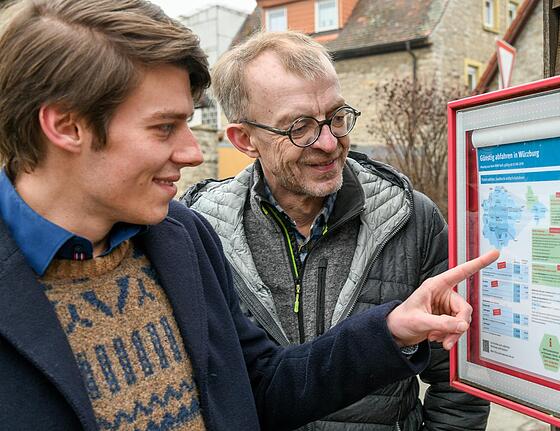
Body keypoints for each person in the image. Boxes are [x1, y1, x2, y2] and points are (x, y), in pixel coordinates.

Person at [0, 1, 499, 430]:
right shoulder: (202, 221)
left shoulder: (180, 240)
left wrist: (388, 332)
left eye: (336, 118)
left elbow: (261, 386)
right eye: (164, 127)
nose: (194, 153)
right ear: (66, 126)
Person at [181, 31, 491, 431]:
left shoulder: (411, 218)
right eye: (299, 127)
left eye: (337, 117)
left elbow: (458, 378)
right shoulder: (199, 232)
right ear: (245, 139)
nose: (329, 143)